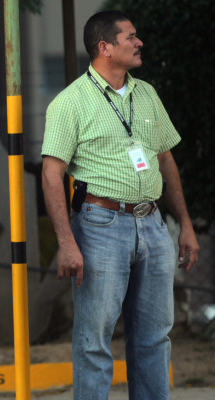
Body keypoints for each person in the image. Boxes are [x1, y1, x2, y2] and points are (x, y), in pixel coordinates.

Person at [41, 10, 199, 400]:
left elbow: (164, 160)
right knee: (94, 339)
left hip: (154, 224)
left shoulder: (145, 93)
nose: (139, 41)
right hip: (99, 226)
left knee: (155, 335)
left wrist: (186, 224)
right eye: (130, 36)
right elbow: (51, 174)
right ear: (104, 47)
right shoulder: (70, 102)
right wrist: (66, 241)